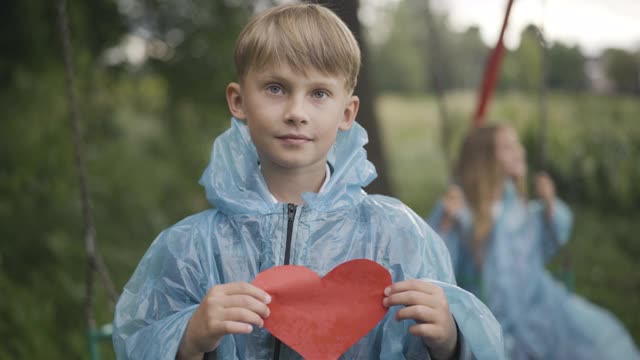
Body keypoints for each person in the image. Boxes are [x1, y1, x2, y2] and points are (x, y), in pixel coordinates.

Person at [112, 4, 505, 360]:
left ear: (347, 112)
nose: (296, 112)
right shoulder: (190, 250)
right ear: (238, 101)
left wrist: (452, 342)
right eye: (275, 88)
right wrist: (189, 337)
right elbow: (136, 342)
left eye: (318, 93)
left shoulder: (397, 237)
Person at [429, 124, 640, 359]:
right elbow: (437, 265)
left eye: (517, 144)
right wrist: (446, 223)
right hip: (489, 314)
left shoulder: (520, 208)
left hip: (538, 305)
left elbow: (551, 240)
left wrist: (550, 206)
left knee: (600, 343)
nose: (519, 151)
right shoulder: (460, 210)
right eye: (508, 147)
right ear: (485, 157)